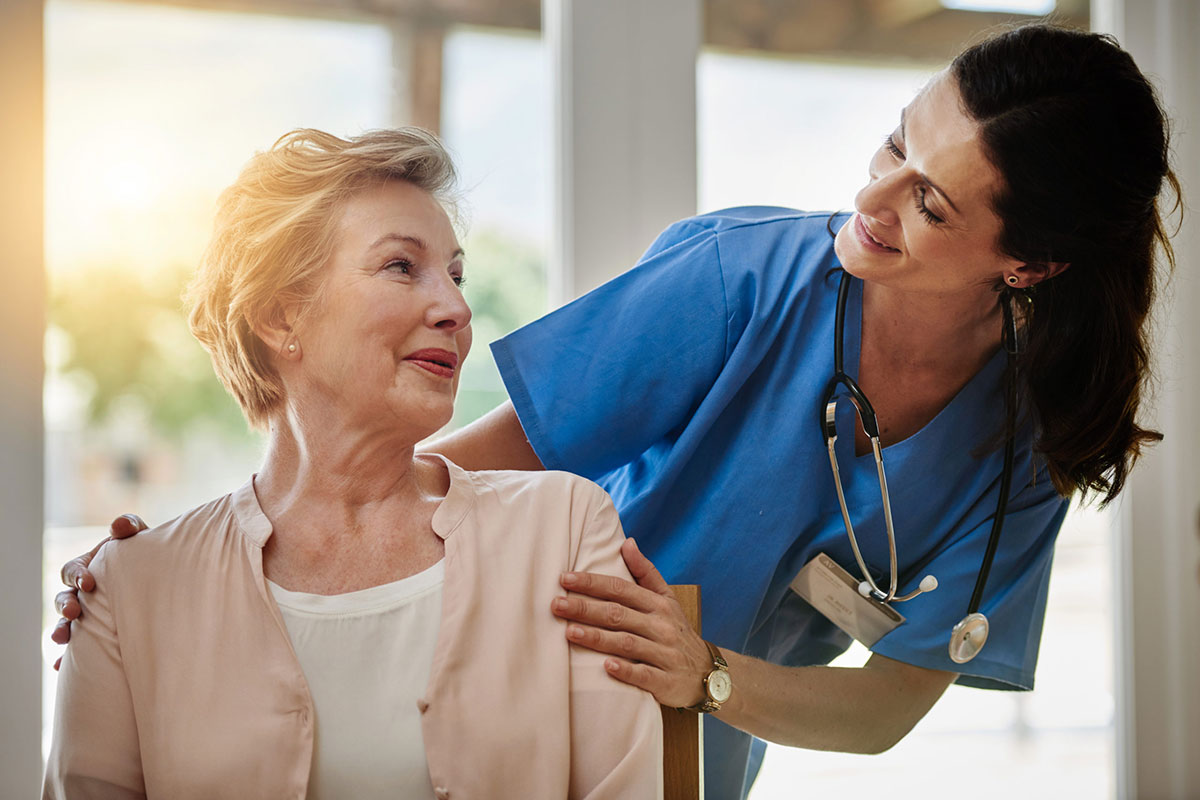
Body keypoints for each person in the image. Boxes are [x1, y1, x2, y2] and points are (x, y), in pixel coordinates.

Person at [53, 24, 1178, 799]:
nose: (869, 200)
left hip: (696, 742)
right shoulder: (743, 277)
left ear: (1028, 264)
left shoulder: (1028, 440)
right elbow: (463, 459)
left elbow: (886, 704)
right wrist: (198, 571)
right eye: (894, 141)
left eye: (928, 202)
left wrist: (710, 676)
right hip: (515, 668)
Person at [44, 128, 662, 799]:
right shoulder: (131, 591)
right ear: (281, 317)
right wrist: (132, 578)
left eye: (457, 275)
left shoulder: (563, 530)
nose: (457, 308)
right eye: (402, 266)